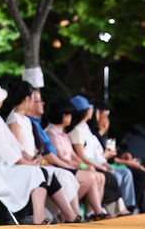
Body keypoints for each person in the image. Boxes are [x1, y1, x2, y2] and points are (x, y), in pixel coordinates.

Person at [0, 80, 67, 225]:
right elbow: (5, 150)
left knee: (43, 173)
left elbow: (13, 144)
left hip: (5, 166)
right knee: (37, 173)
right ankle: (39, 218)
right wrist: (27, 163)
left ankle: (65, 215)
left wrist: (29, 158)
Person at [25, 88, 106, 221]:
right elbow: (56, 157)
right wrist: (77, 166)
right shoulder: (51, 132)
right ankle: (78, 214)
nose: (71, 117)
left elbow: (72, 155)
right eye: (69, 114)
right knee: (89, 177)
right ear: (62, 115)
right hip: (53, 165)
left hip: (55, 165)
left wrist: (81, 165)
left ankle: (83, 213)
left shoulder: (60, 131)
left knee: (94, 176)